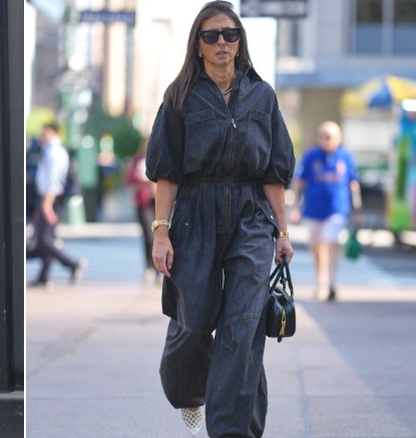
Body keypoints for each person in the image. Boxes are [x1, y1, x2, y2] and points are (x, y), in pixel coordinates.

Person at [145, 2, 295, 437]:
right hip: (195, 213)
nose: (222, 42)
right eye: (211, 35)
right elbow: (167, 171)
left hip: (250, 215)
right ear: (198, 45)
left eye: (230, 34)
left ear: (240, 40)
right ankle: (189, 391)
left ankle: (233, 430)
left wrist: (282, 231)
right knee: (194, 321)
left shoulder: (262, 95)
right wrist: (161, 233)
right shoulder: (180, 97)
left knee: (243, 325)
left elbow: (273, 171)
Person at [289, 121, 363, 301]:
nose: (325, 140)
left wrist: (357, 210)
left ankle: (330, 282)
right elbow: (299, 182)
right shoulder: (312, 156)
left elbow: (353, 184)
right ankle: (321, 280)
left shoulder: (346, 156)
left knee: (331, 242)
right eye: (322, 136)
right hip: (313, 210)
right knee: (317, 247)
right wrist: (295, 207)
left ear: (338, 138)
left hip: (337, 210)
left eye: (329, 137)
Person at [26, 123, 87, 288]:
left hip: (51, 199)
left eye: (44, 134)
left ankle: (72, 264)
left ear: (54, 134)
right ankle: (44, 275)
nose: (41, 137)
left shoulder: (54, 153)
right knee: (46, 238)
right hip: (48, 199)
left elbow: (52, 182)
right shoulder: (50, 152)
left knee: (44, 239)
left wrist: (46, 205)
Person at [125, 140, 159, 283]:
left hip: (158, 201)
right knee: (148, 236)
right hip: (143, 202)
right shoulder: (138, 160)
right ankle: (149, 267)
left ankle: (158, 269)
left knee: (159, 234)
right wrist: (143, 182)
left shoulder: (160, 157)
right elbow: (129, 179)